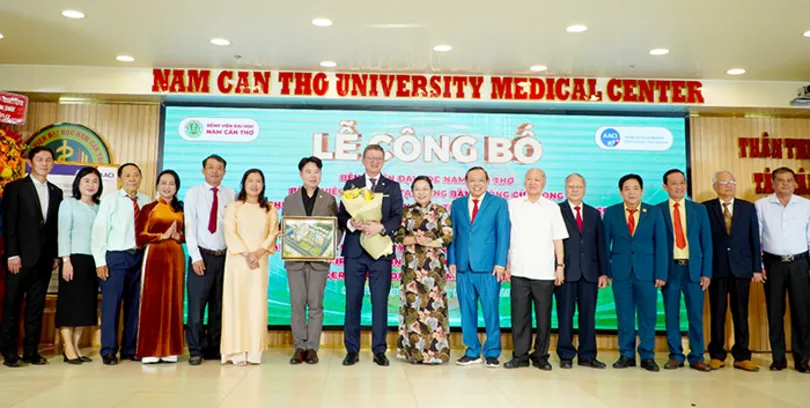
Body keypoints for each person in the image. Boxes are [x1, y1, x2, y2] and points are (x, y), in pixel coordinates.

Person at [337, 144, 403, 367]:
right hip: (354, 251)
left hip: (380, 252)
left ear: (383, 162)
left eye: (379, 158)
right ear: (363, 160)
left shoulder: (392, 187)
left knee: (380, 301)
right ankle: (351, 350)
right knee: (352, 301)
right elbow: (341, 215)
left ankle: (379, 350)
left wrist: (381, 227)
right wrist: (351, 223)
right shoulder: (351, 184)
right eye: (371, 158)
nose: (375, 162)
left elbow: (397, 217)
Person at [0, 146, 63, 367]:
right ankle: (9, 352)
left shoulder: (56, 192)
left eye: (48, 160)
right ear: (30, 163)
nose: (44, 164)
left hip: (44, 260)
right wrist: (12, 254)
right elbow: (9, 223)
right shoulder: (15, 188)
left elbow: (54, 227)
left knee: (36, 307)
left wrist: (55, 255)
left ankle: (31, 351)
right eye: (40, 159)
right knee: (12, 305)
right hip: (19, 259)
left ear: (53, 164)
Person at [504, 169, 567, 371]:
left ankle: (540, 355)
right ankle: (520, 355)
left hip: (544, 272)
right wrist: (506, 264)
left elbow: (558, 239)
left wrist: (560, 266)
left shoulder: (552, 207)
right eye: (529, 179)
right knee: (519, 317)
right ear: (524, 182)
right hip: (518, 270)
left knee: (543, 318)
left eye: (537, 180)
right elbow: (506, 237)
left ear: (544, 183)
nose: (533, 183)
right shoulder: (512, 205)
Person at [603, 174, 667, 372]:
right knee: (624, 315)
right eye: (627, 189)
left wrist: (661, 273)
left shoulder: (654, 212)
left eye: (635, 188)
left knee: (648, 316)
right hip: (620, 272)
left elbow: (662, 244)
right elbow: (604, 244)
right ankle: (626, 354)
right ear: (621, 192)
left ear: (642, 191)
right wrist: (606, 271)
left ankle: (647, 355)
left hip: (647, 272)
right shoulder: (611, 212)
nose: (631, 192)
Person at [448, 166, 510, 368]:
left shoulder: (499, 203)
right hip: (463, 266)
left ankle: (492, 352)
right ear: (466, 182)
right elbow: (453, 234)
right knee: (467, 311)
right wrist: (452, 260)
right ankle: (472, 351)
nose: (477, 184)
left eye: (481, 180)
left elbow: (503, 234)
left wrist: (501, 263)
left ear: (487, 181)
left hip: (489, 267)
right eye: (472, 180)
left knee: (491, 311)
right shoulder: (457, 204)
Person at [91, 163, 151, 365]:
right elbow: (99, 232)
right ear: (120, 179)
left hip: (139, 257)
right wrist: (100, 262)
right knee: (111, 306)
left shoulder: (146, 201)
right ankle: (108, 350)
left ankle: (130, 348)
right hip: (116, 258)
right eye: (127, 175)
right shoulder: (110, 200)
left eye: (136, 175)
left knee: (135, 306)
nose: (132, 179)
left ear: (140, 178)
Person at [702, 170, 761, 372]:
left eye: (732, 181)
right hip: (716, 269)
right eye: (723, 182)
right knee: (717, 313)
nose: (728, 185)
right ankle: (717, 355)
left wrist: (756, 268)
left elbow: (754, 239)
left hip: (741, 269)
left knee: (741, 313)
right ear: (714, 186)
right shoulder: (705, 208)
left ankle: (742, 356)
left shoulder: (747, 207)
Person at [283, 157, 340, 365]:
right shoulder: (289, 200)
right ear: (301, 174)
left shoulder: (329, 199)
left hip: (319, 261)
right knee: (297, 305)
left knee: (316, 305)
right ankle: (299, 347)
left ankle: (312, 348)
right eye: (308, 171)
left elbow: (337, 228)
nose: (312, 175)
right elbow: (285, 228)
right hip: (295, 261)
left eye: (316, 171)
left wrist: (330, 248)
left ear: (321, 174)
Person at [754, 167, 810, 373]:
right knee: (775, 312)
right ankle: (778, 359)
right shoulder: (761, 205)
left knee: (801, 313)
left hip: (800, 264)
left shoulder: (806, 205)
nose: (785, 184)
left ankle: (802, 359)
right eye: (780, 180)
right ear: (772, 183)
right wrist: (759, 266)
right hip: (773, 265)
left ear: (795, 183)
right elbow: (757, 238)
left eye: (789, 180)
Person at [221, 169, 279, 365]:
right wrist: (247, 254)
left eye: (258, 181)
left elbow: (273, 233)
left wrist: (258, 253)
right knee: (236, 303)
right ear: (244, 184)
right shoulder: (234, 206)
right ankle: (236, 352)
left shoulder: (269, 209)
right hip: (238, 262)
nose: (254, 185)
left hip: (259, 263)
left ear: (263, 185)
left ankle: (254, 351)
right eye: (250, 181)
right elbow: (230, 231)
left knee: (256, 304)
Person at [657, 169, 712, 372]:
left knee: (695, 315)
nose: (679, 187)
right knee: (671, 315)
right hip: (670, 270)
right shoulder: (657, 210)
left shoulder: (699, 210)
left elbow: (707, 242)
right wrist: (659, 273)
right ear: (665, 187)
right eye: (674, 183)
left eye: (682, 182)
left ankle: (697, 356)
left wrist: (706, 272)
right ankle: (675, 355)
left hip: (694, 270)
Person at [394, 176, 453, 365]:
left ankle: (436, 354)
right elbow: (398, 236)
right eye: (417, 189)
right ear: (412, 192)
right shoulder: (406, 212)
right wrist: (416, 240)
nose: (421, 193)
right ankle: (413, 354)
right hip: (412, 269)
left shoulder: (440, 211)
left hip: (433, 268)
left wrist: (431, 243)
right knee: (413, 310)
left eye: (425, 189)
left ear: (432, 190)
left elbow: (448, 236)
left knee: (433, 309)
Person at [184, 155, 236, 366]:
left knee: (218, 306)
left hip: (224, 257)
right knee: (197, 308)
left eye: (219, 168)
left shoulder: (231, 194)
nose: (215, 171)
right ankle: (195, 350)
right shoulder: (193, 193)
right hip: (201, 256)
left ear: (224, 172)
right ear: (203, 170)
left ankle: (214, 348)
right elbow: (189, 226)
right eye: (211, 167)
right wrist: (195, 256)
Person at [555, 173, 609, 369]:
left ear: (585, 189)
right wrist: (557, 268)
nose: (575, 190)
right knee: (565, 316)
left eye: (578, 186)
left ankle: (587, 355)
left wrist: (603, 272)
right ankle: (565, 355)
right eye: (571, 186)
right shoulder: (556, 211)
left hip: (590, 273)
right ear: (565, 188)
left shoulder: (594, 214)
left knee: (588, 316)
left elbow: (600, 244)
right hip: (566, 273)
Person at [135, 170, 186, 364]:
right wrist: (161, 236)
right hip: (155, 256)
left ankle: (170, 349)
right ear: (157, 186)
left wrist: (178, 237)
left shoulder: (181, 209)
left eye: (171, 184)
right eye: (163, 183)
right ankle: (150, 350)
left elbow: (189, 235)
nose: (167, 187)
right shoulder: (149, 208)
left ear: (176, 187)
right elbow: (140, 236)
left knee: (174, 299)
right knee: (152, 299)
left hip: (176, 258)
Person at [56, 167, 102, 364]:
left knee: (85, 307)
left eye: (95, 181)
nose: (91, 185)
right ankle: (68, 347)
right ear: (78, 183)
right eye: (86, 181)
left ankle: (75, 346)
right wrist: (65, 260)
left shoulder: (100, 207)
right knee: (69, 305)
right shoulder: (69, 204)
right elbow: (63, 233)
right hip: (73, 260)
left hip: (93, 261)